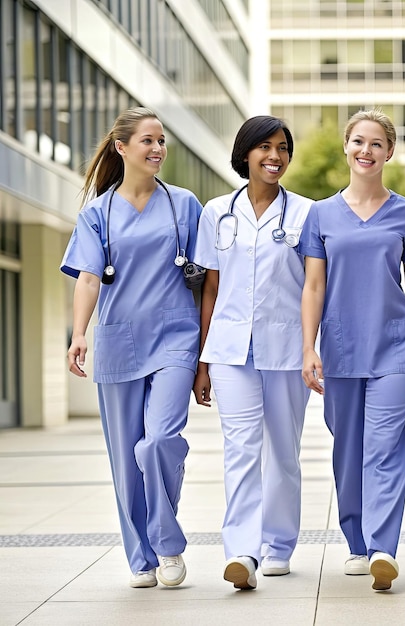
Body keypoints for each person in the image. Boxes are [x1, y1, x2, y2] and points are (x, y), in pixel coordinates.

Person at [61, 107, 203, 589]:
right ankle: (141, 558)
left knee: (159, 440)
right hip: (119, 338)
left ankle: (166, 543)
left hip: (176, 337)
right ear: (122, 148)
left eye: (162, 140)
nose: (158, 148)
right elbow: (86, 278)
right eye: (148, 140)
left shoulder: (184, 204)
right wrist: (80, 333)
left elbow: (208, 278)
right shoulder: (97, 213)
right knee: (126, 456)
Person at [299, 109, 405, 591]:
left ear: (389, 153)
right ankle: (357, 543)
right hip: (339, 348)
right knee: (348, 448)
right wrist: (307, 349)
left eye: (376, 144)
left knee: (385, 447)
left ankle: (383, 547)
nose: (366, 151)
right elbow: (313, 287)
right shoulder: (321, 214)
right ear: (346, 148)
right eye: (358, 142)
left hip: (396, 346)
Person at [192, 115, 312, 591]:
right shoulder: (216, 212)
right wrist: (203, 361)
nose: (274, 157)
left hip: (285, 349)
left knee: (282, 452)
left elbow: (314, 288)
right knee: (240, 450)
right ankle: (242, 550)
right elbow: (211, 288)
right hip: (228, 350)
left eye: (282, 148)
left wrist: (310, 349)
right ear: (246, 153)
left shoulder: (306, 213)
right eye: (265, 147)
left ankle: (278, 545)